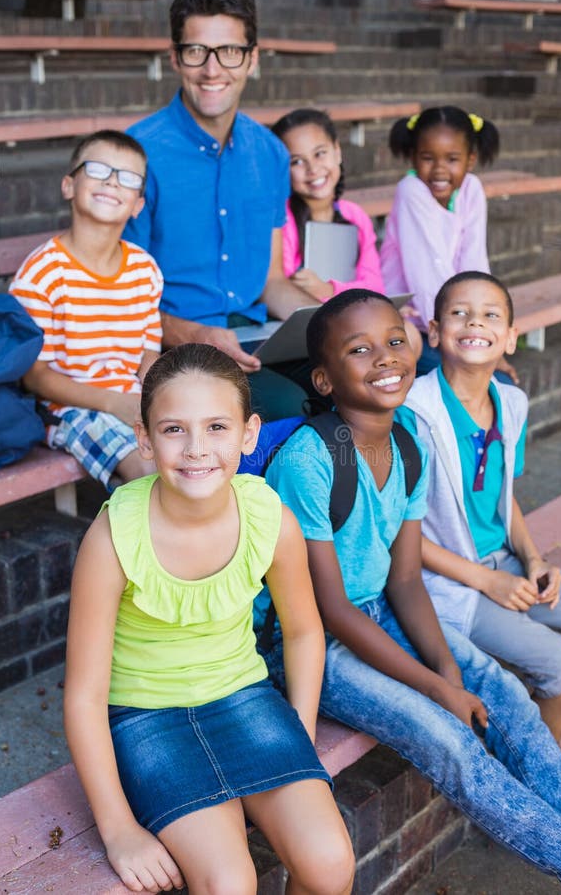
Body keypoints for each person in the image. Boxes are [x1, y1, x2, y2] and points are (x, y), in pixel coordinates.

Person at [259, 289, 561, 893]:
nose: (385, 358)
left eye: (394, 341)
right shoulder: (308, 460)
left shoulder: (410, 437)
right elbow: (330, 610)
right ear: (325, 378)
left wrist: (448, 665)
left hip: (384, 609)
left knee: (505, 695)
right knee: (449, 740)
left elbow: (406, 576)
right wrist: (439, 687)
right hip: (311, 639)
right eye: (359, 350)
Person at [64, 343, 355, 895]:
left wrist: (301, 730)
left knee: (330, 865)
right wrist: (118, 827)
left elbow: (303, 630)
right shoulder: (112, 538)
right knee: (227, 883)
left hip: (243, 698)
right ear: (144, 439)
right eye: (174, 430)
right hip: (147, 717)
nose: (197, 449)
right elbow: (82, 695)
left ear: (248, 435)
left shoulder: (270, 517)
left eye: (217, 427)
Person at [397, 269, 561, 786]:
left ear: (510, 337)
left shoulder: (511, 402)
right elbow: (399, 532)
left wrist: (532, 558)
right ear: (435, 332)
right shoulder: (413, 412)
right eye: (459, 313)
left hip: (505, 565)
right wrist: (488, 581)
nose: (475, 322)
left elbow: (505, 496)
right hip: (445, 583)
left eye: (491, 315)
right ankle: (537, 784)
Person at [123, 0, 320, 420]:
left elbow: (271, 280)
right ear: (175, 58)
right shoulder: (137, 154)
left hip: (255, 336)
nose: (213, 70)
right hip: (178, 346)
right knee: (289, 409)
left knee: (358, 379)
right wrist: (194, 333)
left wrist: (335, 321)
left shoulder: (269, 152)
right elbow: (120, 299)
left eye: (229, 52)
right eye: (197, 52)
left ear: (252, 59)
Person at [10, 129, 162, 491]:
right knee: (148, 468)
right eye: (97, 170)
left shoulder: (144, 269)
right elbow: (36, 378)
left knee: (196, 448)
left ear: (137, 204)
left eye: (127, 178)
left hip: (131, 397)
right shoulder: (42, 274)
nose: (111, 181)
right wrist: (115, 402)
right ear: (68, 186)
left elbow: (148, 354)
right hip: (68, 409)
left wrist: (159, 396)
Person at [379, 105, 517, 383]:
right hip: (416, 322)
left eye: (452, 159)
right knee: (479, 381)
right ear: (412, 157)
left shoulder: (471, 189)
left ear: (471, 159)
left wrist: (490, 329)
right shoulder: (411, 191)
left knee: (498, 385)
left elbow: (475, 261)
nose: (439, 169)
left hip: (453, 318)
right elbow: (426, 276)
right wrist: (456, 335)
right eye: (427, 158)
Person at [271, 107, 421, 361]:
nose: (312, 169)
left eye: (320, 154)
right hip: (302, 330)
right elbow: (285, 289)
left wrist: (328, 289)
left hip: (352, 318)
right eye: (296, 161)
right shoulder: (281, 220)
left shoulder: (354, 216)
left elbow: (374, 285)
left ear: (337, 152)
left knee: (410, 336)